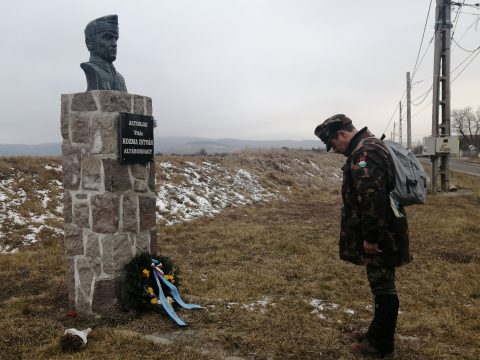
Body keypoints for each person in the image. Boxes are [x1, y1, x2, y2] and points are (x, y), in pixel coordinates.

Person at [314, 114, 411, 358]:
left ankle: (380, 345)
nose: (334, 150)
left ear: (343, 135)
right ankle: (375, 334)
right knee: (381, 286)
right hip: (385, 231)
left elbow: (372, 199)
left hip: (381, 236)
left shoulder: (365, 154)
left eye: (333, 144)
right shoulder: (370, 145)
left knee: (384, 288)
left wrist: (371, 239)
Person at [81, 15, 127, 92]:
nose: (114, 44)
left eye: (116, 39)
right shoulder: (92, 70)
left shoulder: (120, 79)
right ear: (89, 43)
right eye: (108, 38)